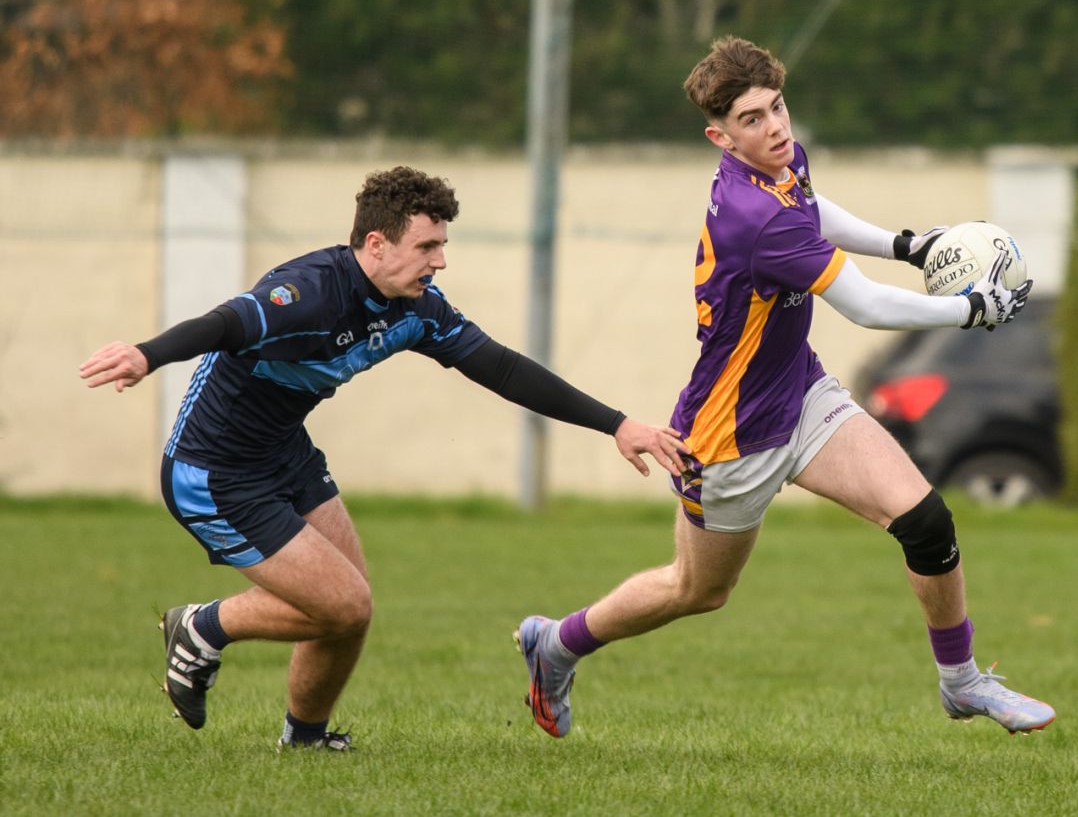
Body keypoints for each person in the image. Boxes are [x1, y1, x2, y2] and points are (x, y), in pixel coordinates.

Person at [515, 36, 1052, 738]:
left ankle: (962, 681)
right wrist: (969, 309)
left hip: (800, 392)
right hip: (730, 433)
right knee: (697, 589)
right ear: (720, 136)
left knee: (925, 520)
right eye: (750, 119)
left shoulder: (780, 163)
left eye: (777, 107)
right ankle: (556, 644)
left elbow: (812, 205)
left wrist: (907, 243)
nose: (774, 127)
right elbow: (864, 306)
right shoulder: (753, 219)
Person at [79, 166, 687, 750]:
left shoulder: (416, 309)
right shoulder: (308, 293)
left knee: (352, 606)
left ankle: (306, 739)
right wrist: (147, 354)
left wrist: (617, 423)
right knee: (345, 604)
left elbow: (501, 367)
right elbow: (226, 322)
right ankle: (202, 627)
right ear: (376, 243)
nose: (440, 260)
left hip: (284, 454)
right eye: (426, 246)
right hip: (213, 471)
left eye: (442, 245)